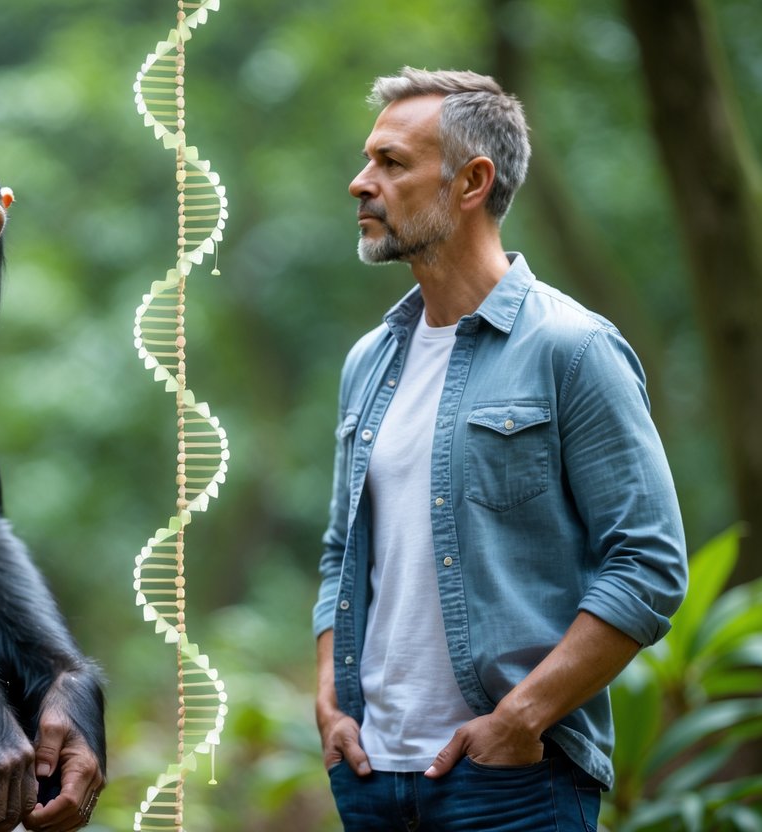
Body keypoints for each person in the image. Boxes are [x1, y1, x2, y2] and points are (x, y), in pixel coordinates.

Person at [313, 67, 687, 832]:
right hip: (370, 778)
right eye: (366, 160)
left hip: (512, 784)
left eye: (390, 162)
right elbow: (339, 551)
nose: (359, 183)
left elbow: (648, 564)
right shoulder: (368, 361)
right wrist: (328, 701)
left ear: (471, 182)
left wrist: (521, 718)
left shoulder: (572, 350)